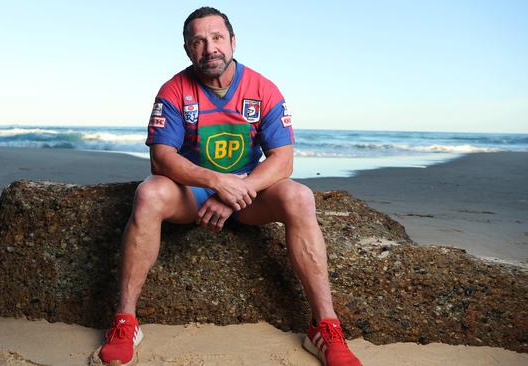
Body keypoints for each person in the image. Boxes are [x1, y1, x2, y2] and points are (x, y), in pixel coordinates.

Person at [98, 7, 362, 366]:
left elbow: (283, 161)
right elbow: (161, 159)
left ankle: (325, 327)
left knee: (300, 196)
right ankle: (126, 321)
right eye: (199, 41)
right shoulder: (174, 90)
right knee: (148, 193)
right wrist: (217, 182)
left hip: (248, 193)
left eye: (218, 38)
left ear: (233, 41)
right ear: (188, 49)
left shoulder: (263, 89)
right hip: (193, 193)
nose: (210, 48)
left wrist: (237, 192)